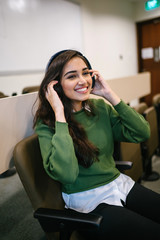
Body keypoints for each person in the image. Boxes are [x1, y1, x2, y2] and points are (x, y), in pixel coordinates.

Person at [34, 49, 160, 239]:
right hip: (88, 201)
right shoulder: (48, 124)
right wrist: (59, 114)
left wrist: (109, 95)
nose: (83, 80)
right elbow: (67, 175)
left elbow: (142, 133)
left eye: (86, 73)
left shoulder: (99, 108)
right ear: (56, 86)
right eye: (72, 76)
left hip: (118, 184)